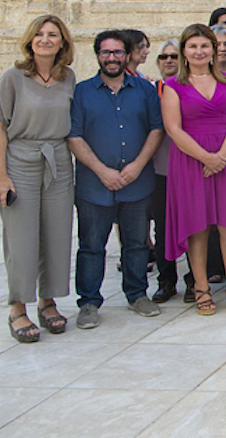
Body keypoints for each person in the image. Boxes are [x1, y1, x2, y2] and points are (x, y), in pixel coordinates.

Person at [67, 30, 165, 328]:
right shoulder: (82, 92)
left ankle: (137, 295)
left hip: (137, 182)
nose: (112, 58)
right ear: (97, 55)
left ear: (127, 55)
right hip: (94, 185)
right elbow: (74, 136)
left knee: (136, 243)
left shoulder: (145, 90)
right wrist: (102, 171)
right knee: (92, 245)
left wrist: (137, 165)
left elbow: (156, 129)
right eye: (106, 53)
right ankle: (88, 303)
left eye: (118, 52)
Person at [0, 16, 76, 342]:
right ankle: (17, 307)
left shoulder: (67, 78)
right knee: (21, 238)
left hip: (57, 162)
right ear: (30, 40)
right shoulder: (13, 78)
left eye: (52, 34)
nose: (45, 39)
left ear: (62, 42)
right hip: (21, 162)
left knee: (56, 236)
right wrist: (1, 176)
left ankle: (48, 301)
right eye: (39, 34)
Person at [161, 24, 226, 315]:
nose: (199, 52)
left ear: (213, 49)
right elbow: (173, 128)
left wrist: (221, 155)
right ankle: (201, 287)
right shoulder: (173, 85)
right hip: (190, 158)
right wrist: (206, 158)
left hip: (225, 156)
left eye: (204, 46)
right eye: (193, 46)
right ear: (184, 52)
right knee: (196, 225)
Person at [150, 40, 183, 303]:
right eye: (164, 57)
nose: (169, 60)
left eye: (174, 56)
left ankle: (195, 280)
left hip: (188, 167)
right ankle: (166, 280)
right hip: (159, 170)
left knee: (195, 227)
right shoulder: (150, 90)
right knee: (162, 229)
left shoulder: (188, 89)